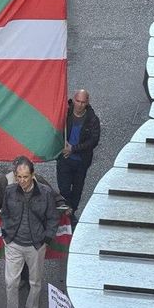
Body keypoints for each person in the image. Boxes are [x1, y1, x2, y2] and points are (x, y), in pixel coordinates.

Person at [0, 159, 58, 308]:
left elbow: (53, 217)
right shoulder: (9, 191)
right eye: (18, 177)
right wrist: (6, 235)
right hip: (14, 243)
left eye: (25, 177)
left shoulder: (45, 193)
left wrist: (47, 238)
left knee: (35, 281)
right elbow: (5, 213)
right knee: (11, 283)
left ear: (32, 175)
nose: (22, 181)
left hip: (36, 244)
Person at [56, 89, 100, 218]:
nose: (80, 105)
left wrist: (73, 149)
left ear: (87, 102)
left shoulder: (92, 119)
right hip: (64, 159)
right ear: (73, 100)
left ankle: (71, 212)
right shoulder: (65, 113)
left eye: (83, 102)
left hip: (81, 161)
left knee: (77, 189)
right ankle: (66, 209)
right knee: (64, 188)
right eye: (78, 101)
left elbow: (93, 141)